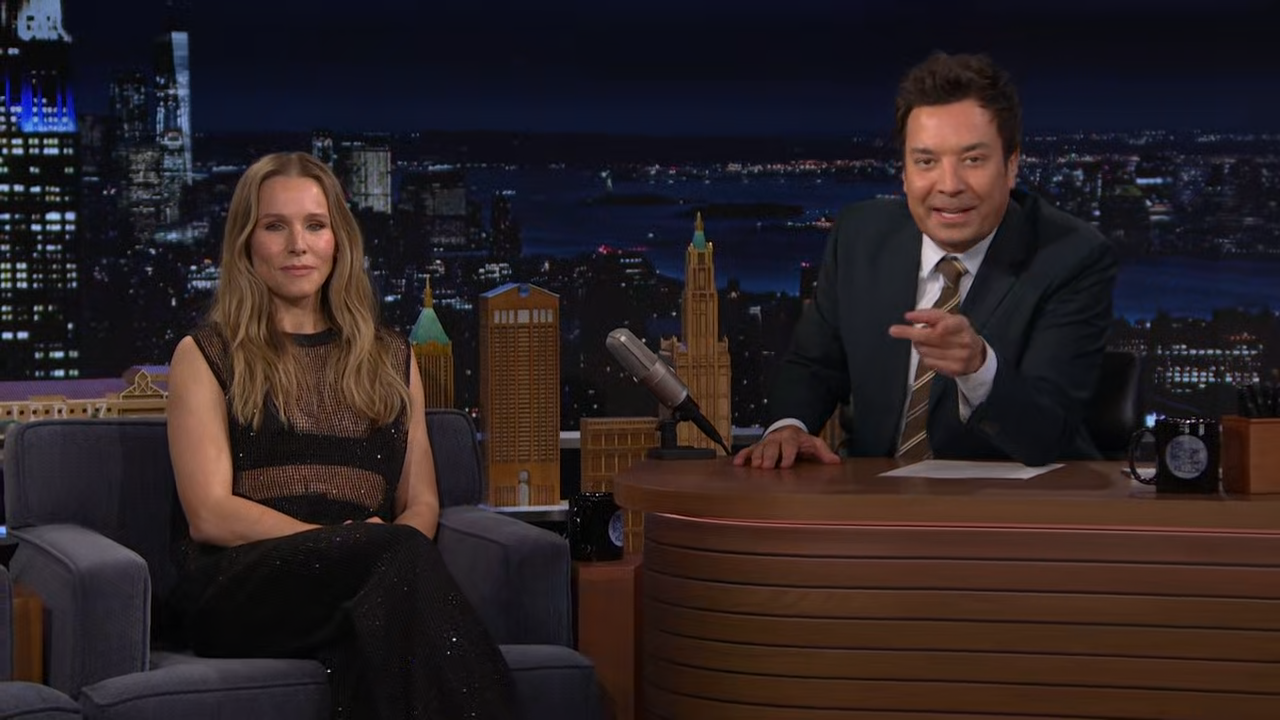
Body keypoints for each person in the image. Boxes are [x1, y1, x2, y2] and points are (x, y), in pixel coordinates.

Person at [161, 151, 517, 719]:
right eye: (275, 226)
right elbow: (209, 514)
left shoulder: (391, 357)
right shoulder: (207, 354)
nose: (297, 245)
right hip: (243, 583)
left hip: (368, 575)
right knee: (393, 568)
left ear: (339, 241)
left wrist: (368, 550)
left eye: (314, 225)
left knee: (382, 611)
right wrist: (340, 543)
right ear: (246, 243)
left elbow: (421, 503)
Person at [734, 51, 1118, 470]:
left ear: (1011, 166)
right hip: (870, 494)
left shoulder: (1072, 256)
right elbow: (814, 364)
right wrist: (788, 427)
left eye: (972, 160)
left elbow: (1050, 432)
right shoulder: (860, 236)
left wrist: (978, 367)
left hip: (1011, 500)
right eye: (926, 161)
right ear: (904, 173)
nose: (949, 185)